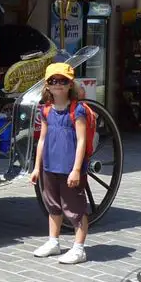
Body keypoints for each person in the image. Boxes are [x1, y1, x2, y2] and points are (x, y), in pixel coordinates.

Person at [29, 63, 90, 265]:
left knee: (74, 207)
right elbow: (42, 140)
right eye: (53, 81)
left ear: (70, 84)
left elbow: (81, 140)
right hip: (50, 165)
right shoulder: (46, 110)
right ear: (47, 85)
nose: (58, 85)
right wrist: (37, 167)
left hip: (70, 167)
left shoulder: (77, 110)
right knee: (53, 205)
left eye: (62, 81)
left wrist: (76, 169)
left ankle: (79, 248)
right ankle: (53, 241)